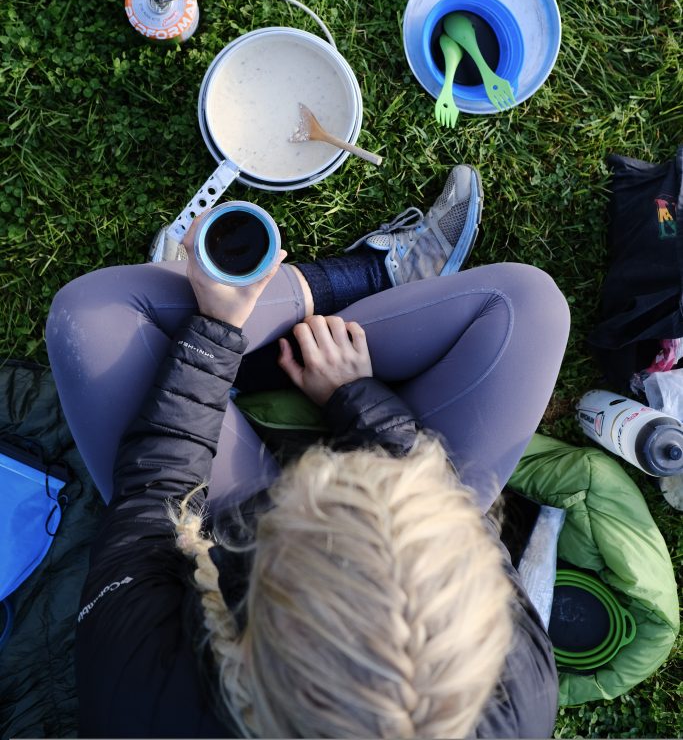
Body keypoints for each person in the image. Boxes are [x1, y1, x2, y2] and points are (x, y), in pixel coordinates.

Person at [46, 165, 570, 739]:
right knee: (527, 304)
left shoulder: (140, 697)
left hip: (219, 520)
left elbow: (151, 506)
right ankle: (360, 288)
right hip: (395, 475)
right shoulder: (515, 694)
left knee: (92, 317)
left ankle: (328, 290)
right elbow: (446, 509)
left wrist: (213, 336)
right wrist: (357, 399)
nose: (319, 467)